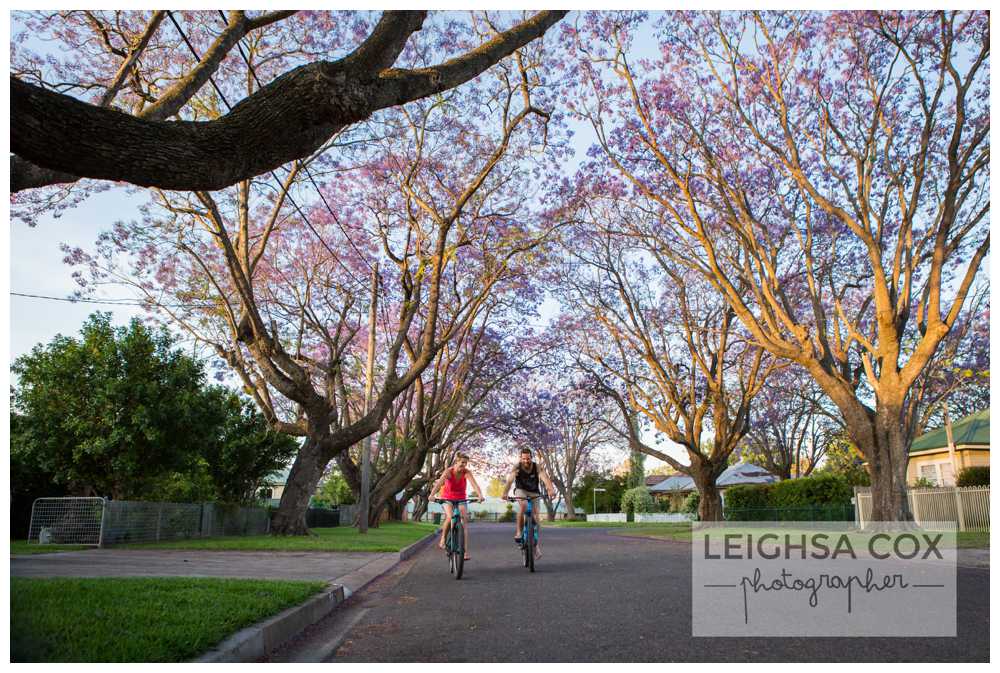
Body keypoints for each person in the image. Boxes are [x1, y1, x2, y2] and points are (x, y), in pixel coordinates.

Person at [428, 452, 484, 561]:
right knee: (450, 517)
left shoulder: (466, 472)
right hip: (447, 498)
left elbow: (474, 484)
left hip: (461, 498)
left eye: (466, 463)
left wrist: (480, 495)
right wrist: (432, 495)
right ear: (456, 462)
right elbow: (439, 483)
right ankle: (443, 539)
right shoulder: (449, 472)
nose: (464, 465)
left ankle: (465, 552)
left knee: (464, 522)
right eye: (462, 462)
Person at [502, 448, 556, 558]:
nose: (526, 461)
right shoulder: (517, 467)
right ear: (520, 458)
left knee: (536, 519)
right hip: (521, 490)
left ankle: (535, 546)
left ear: (531, 457)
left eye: (528, 458)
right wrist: (505, 493)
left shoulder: (536, 467)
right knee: (523, 506)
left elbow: (545, 478)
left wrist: (551, 489)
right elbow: (510, 480)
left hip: (534, 492)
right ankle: (519, 532)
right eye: (524, 459)